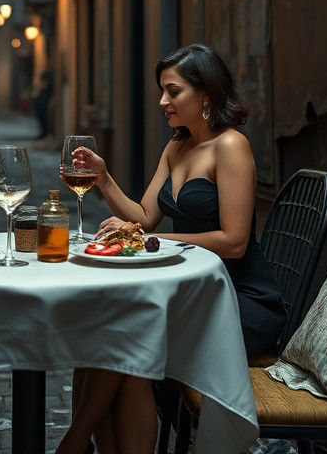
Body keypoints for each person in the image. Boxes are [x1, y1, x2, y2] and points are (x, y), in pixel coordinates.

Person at [56, 44, 286, 454]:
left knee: (128, 341)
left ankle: (74, 442)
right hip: (190, 293)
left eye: (173, 91)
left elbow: (233, 243)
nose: (163, 101)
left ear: (207, 95)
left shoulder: (231, 146)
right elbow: (144, 216)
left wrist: (156, 241)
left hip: (237, 300)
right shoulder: (177, 147)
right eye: (162, 91)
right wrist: (104, 178)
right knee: (106, 335)